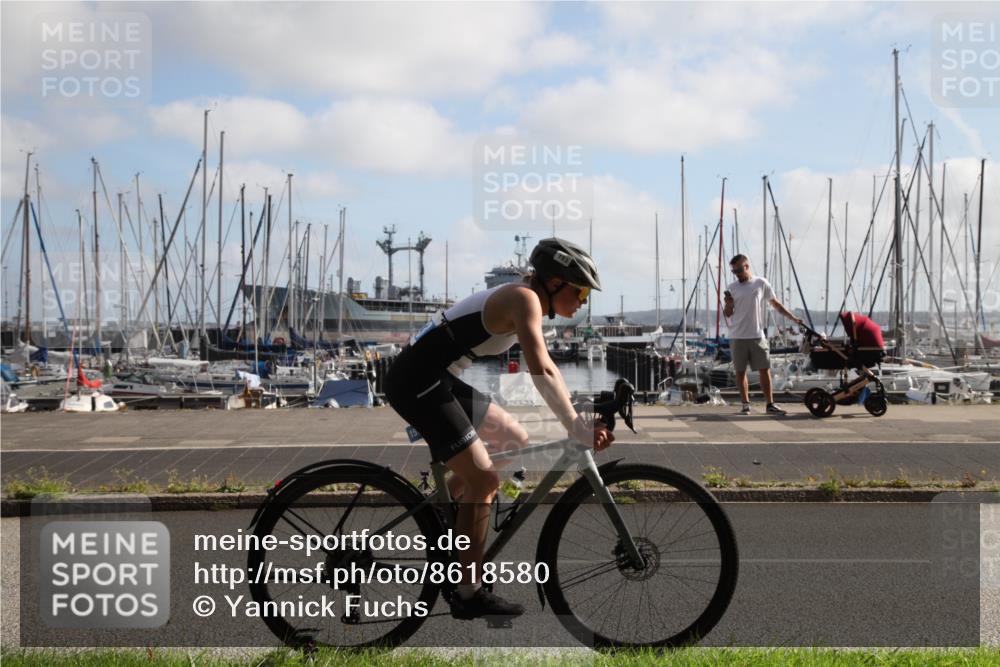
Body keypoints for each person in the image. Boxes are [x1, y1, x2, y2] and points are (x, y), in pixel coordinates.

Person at [384, 238, 614, 620]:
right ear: (556, 282)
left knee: (516, 440)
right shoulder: (524, 299)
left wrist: (578, 413)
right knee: (485, 481)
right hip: (416, 381)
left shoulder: (529, 300)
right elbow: (542, 369)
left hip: (436, 377)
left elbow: (546, 370)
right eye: (582, 291)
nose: (583, 302)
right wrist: (574, 423)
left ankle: (452, 522)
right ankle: (468, 593)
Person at [722, 254, 803, 415]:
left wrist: (792, 317)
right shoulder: (732, 287)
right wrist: (729, 304)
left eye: (738, 269)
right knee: (740, 371)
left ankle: (770, 404)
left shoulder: (760, 283)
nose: (736, 273)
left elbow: (776, 304)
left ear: (746, 265)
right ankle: (745, 404)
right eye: (733, 270)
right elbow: (728, 313)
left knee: (764, 369)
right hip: (737, 336)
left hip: (757, 335)